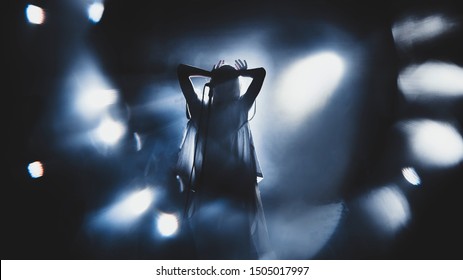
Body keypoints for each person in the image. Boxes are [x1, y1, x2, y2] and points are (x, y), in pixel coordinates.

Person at [175, 59, 272, 259]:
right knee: (234, 240)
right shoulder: (239, 108)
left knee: (214, 241)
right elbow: (260, 73)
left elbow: (182, 71)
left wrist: (211, 75)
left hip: (216, 183)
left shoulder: (202, 111)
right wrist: (237, 74)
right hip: (229, 184)